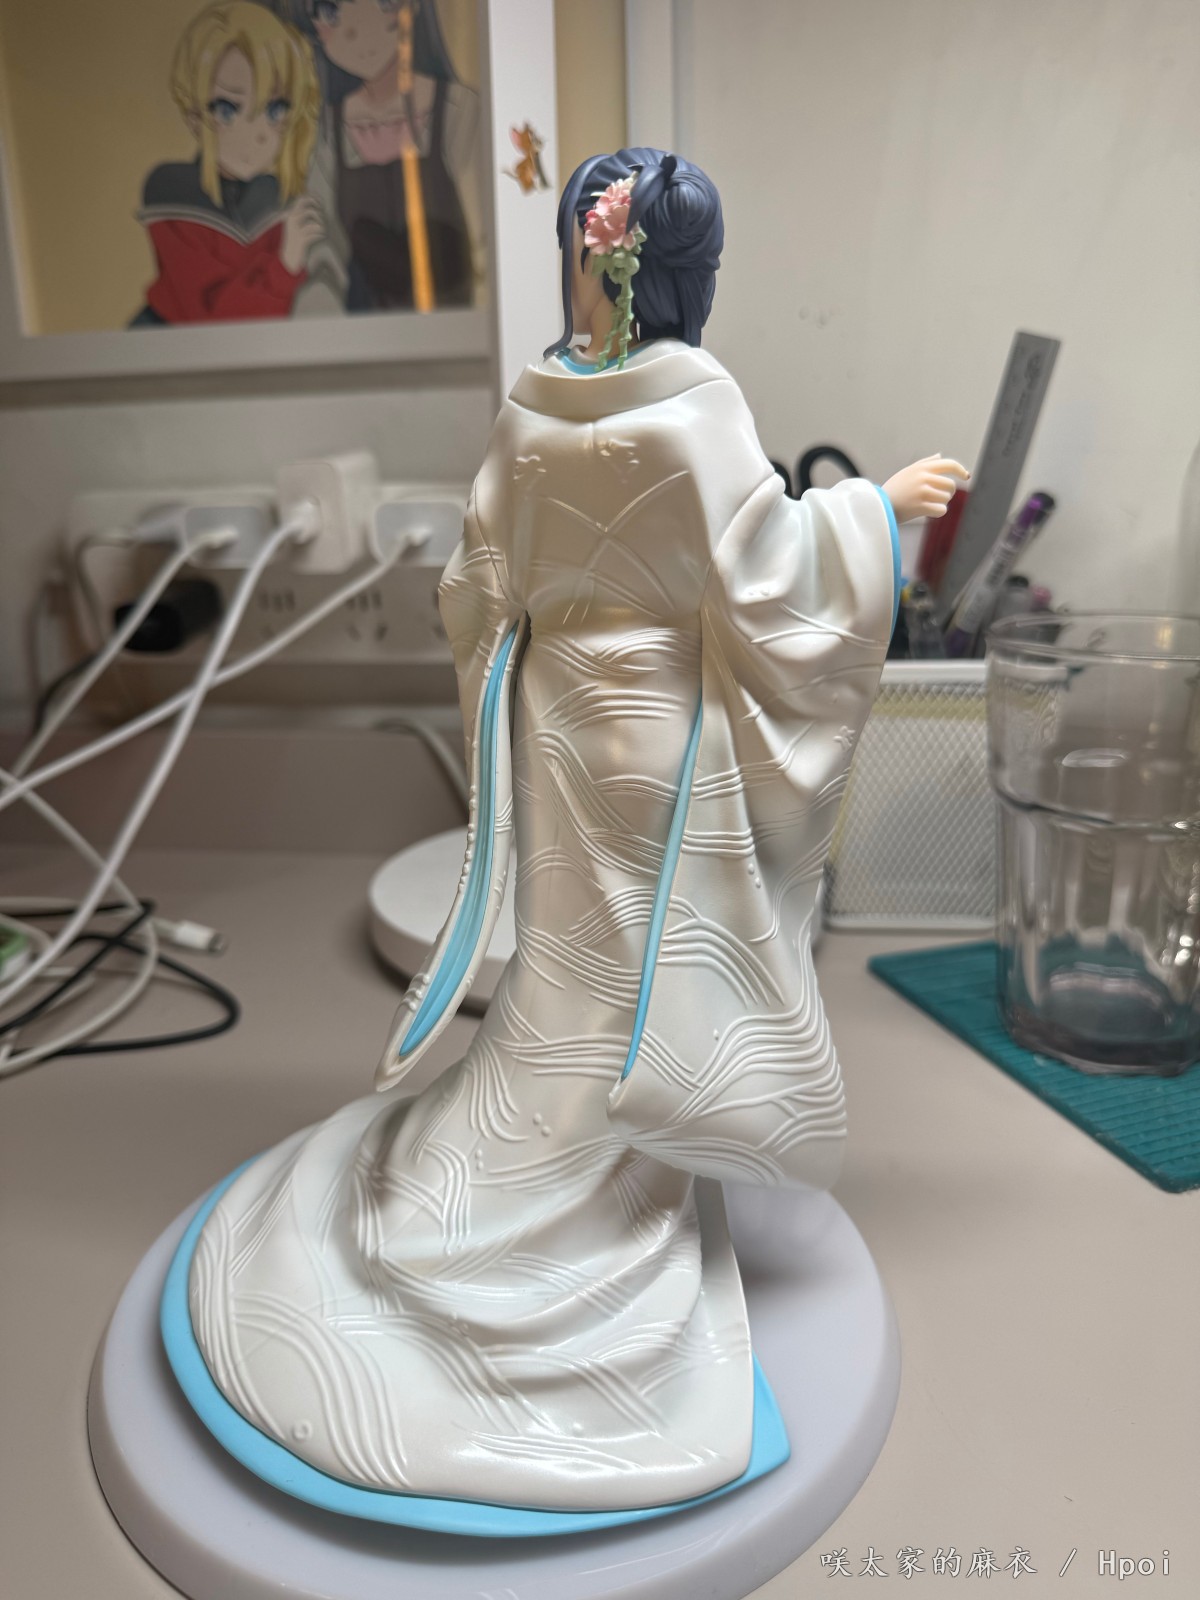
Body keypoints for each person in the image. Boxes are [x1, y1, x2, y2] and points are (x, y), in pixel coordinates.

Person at [187, 148, 967, 1512]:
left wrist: (524, 657)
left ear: (592, 259)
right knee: (629, 977)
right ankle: (574, 1194)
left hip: (557, 723)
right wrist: (873, 514)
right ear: (685, 279)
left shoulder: (535, 402)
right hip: (651, 737)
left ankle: (502, 1168)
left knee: (567, 969)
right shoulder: (695, 406)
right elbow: (768, 570)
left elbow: (473, 578)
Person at [285, 0, 483, 313]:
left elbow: (484, 237)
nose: (355, 29)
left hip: (453, 320)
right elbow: (324, 247)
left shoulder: (458, 111)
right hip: (362, 329)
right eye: (330, 11)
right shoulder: (324, 130)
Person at [132, 1, 321, 325]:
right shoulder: (173, 190)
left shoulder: (280, 197)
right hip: (168, 344)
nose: (256, 134)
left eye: (275, 110)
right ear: (194, 117)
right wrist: (286, 263)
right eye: (227, 110)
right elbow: (213, 319)